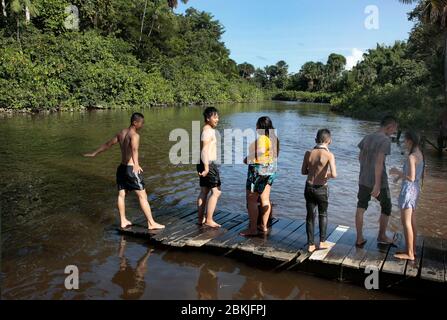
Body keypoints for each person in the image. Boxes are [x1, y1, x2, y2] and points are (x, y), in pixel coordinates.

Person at [83, 112, 165, 230]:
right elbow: (135, 150)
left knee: (121, 194)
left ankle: (123, 221)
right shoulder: (135, 136)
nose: (142, 125)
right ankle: (151, 223)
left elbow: (108, 144)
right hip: (131, 169)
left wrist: (94, 153)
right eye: (141, 123)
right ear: (135, 122)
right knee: (142, 196)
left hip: (121, 168)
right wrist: (136, 165)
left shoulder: (122, 133)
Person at [355, 115, 398, 247]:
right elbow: (379, 163)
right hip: (379, 181)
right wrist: (377, 185)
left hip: (363, 179)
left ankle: (359, 238)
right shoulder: (385, 140)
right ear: (389, 126)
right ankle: (382, 236)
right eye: (394, 129)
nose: (394, 131)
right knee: (387, 207)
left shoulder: (367, 137)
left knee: (361, 207)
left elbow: (360, 158)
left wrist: (365, 171)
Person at [240, 116, 279, 237]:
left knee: (251, 199)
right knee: (265, 199)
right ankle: (263, 226)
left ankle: (252, 229)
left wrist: (248, 158)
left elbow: (261, 150)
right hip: (270, 170)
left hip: (258, 170)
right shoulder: (274, 139)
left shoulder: (262, 137)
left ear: (259, 126)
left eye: (256, 125)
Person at [389, 131, 425, 260]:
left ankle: (409, 254)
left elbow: (411, 177)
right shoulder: (419, 154)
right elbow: (412, 174)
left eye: (405, 140)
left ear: (410, 141)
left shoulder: (411, 157)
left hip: (408, 191)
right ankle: (412, 250)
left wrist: (396, 171)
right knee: (412, 221)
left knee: (406, 223)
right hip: (414, 190)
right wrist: (399, 177)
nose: (404, 142)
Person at [301, 129, 337, 253]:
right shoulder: (329, 155)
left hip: (309, 187)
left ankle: (310, 244)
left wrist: (312, 171)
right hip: (322, 188)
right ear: (329, 140)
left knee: (310, 216)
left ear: (316, 139)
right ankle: (322, 242)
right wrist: (325, 174)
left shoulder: (308, 153)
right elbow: (334, 174)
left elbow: (303, 172)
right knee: (323, 214)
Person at [196, 107, 222, 228]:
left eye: (217, 117)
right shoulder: (208, 131)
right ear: (208, 118)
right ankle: (209, 220)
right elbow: (205, 150)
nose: (217, 119)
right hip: (208, 164)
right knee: (216, 192)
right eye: (215, 117)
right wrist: (207, 168)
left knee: (204, 191)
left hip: (203, 162)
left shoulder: (206, 129)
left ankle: (200, 219)